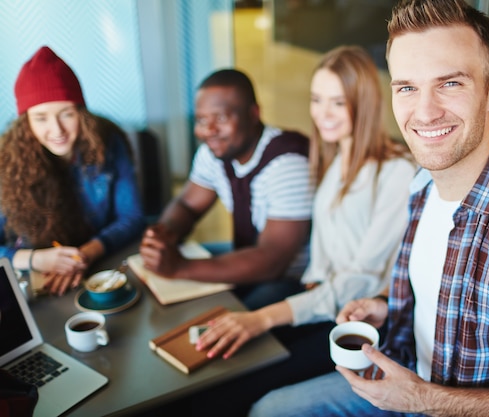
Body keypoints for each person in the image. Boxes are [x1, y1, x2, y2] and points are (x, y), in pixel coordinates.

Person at [249, 1, 489, 416]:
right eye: (407, 87)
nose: (425, 113)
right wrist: (386, 307)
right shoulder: (423, 182)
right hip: (405, 374)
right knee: (270, 409)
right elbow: (442, 297)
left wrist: (425, 400)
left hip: (444, 403)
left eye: (450, 83)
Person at [168, 45, 415, 417]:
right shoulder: (332, 159)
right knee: (216, 353)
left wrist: (264, 318)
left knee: (235, 386)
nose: (323, 114)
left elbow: (359, 282)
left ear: (364, 103)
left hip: (352, 321)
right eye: (317, 100)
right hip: (314, 300)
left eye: (338, 102)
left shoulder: (395, 170)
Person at [139, 69, 314, 309]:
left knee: (218, 321)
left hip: (294, 279)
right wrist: (164, 235)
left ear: (254, 114)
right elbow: (187, 205)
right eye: (201, 120)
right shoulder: (214, 152)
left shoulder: (288, 163)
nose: (209, 130)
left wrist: (180, 267)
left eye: (220, 118)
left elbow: (273, 259)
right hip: (247, 256)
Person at [0, 46, 145, 296]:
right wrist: (36, 259)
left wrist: (84, 255)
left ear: (81, 112)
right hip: (38, 283)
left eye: (66, 114)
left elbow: (132, 217)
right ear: (26, 122)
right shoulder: (6, 162)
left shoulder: (108, 143)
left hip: (104, 267)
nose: (57, 130)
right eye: (41, 118)